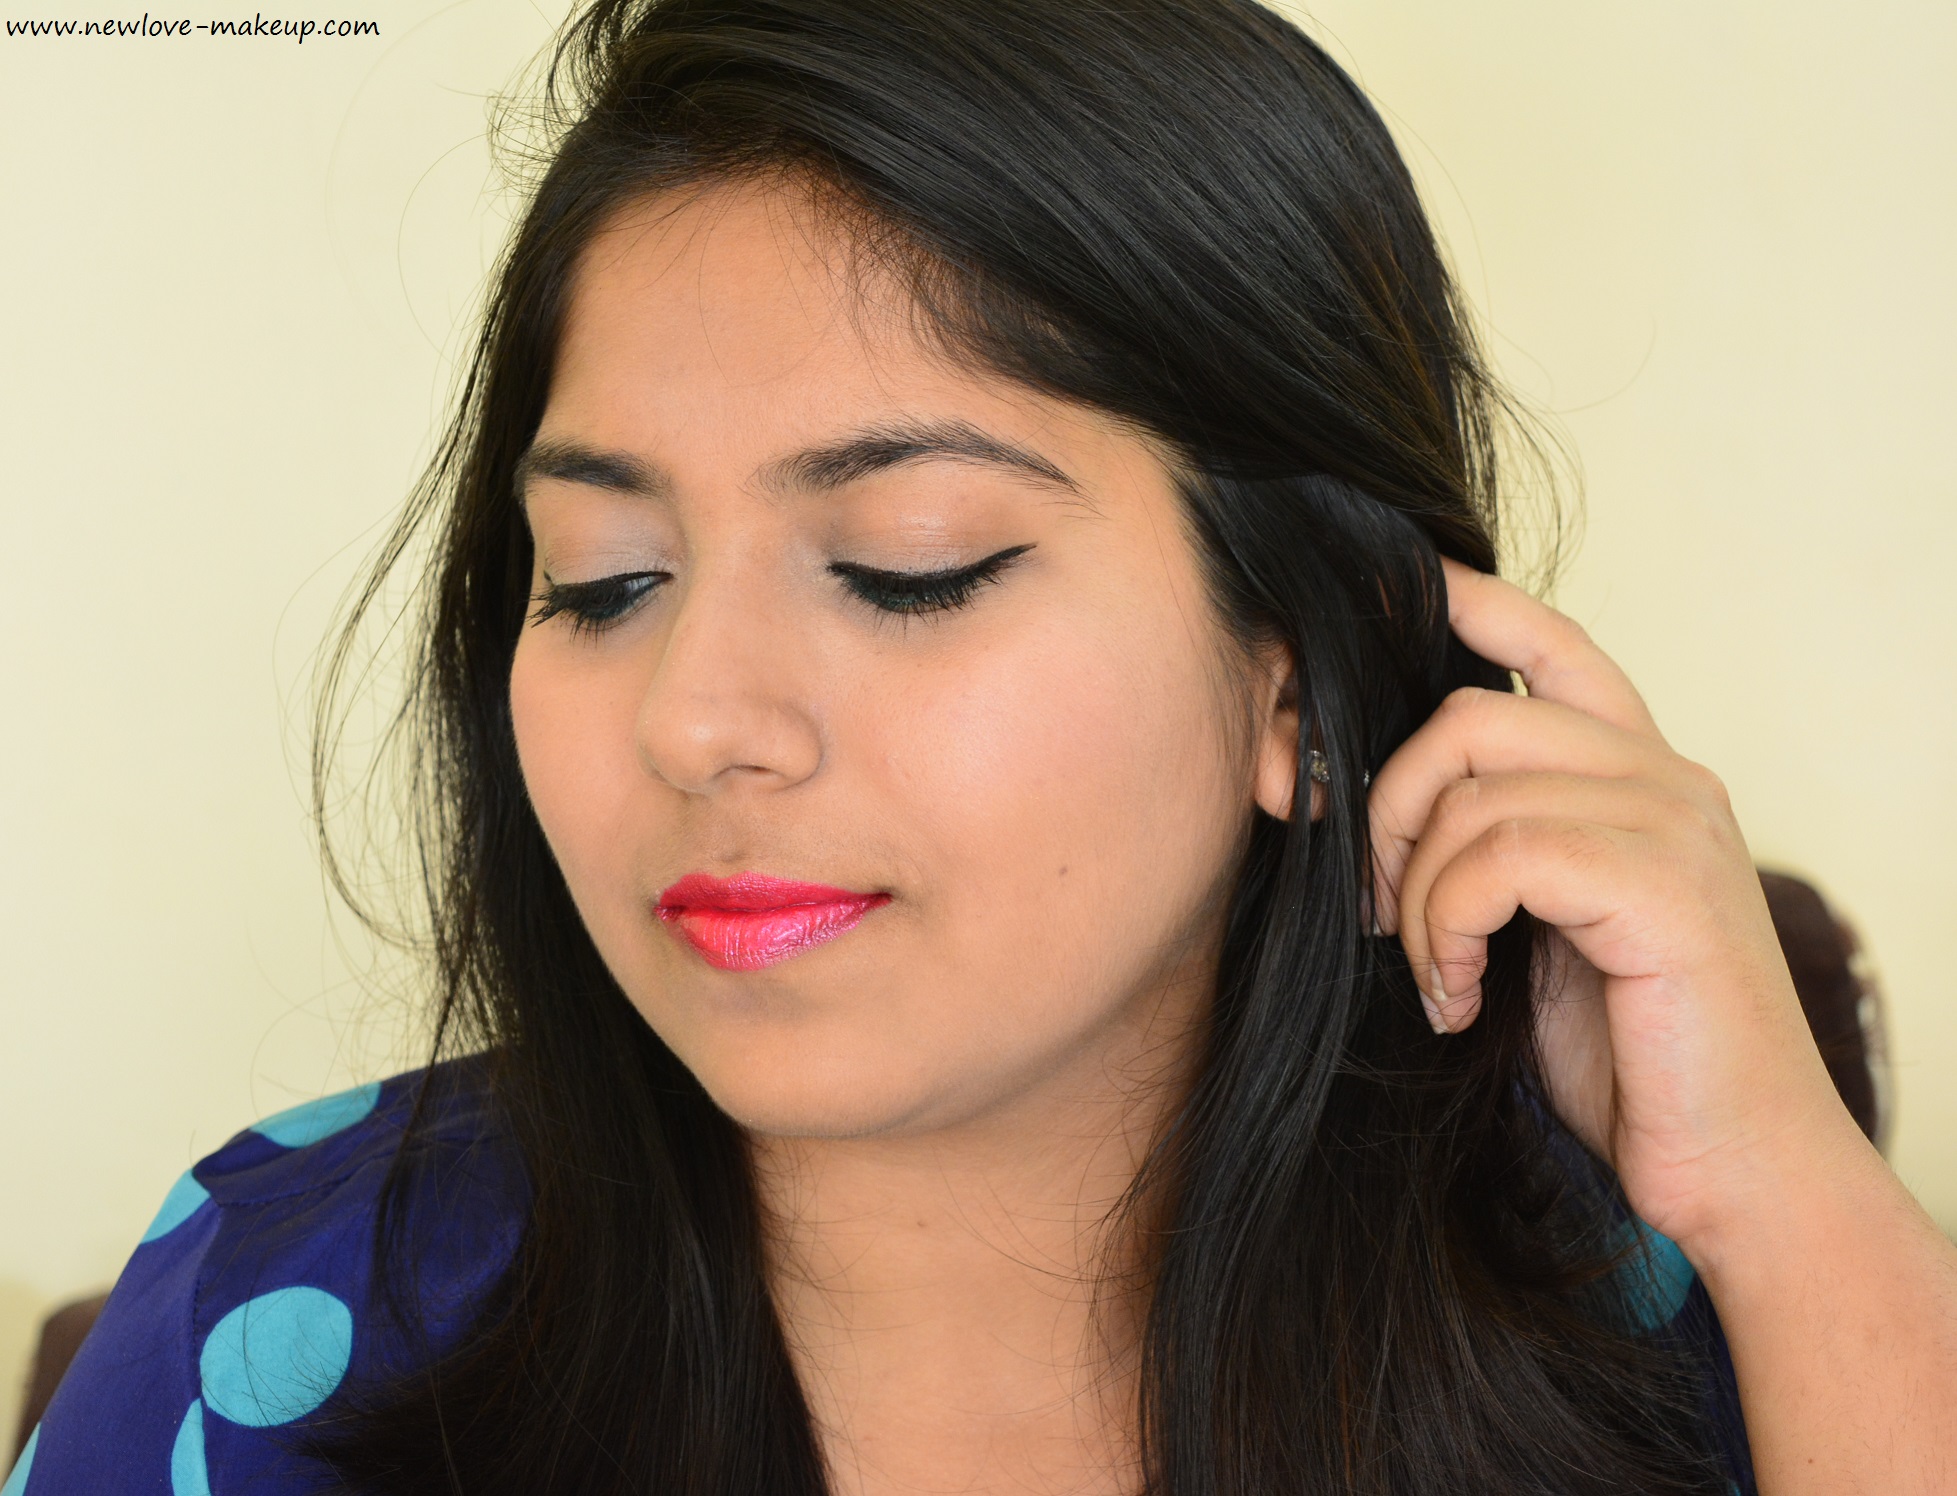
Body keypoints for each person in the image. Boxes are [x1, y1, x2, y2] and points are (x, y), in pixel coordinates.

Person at [10, 0, 1955, 1491]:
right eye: (603, 582)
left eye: (906, 566)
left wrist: (1783, 1196)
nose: (694, 719)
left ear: (1303, 672)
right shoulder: (259, 1339)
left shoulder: (1695, 1319)